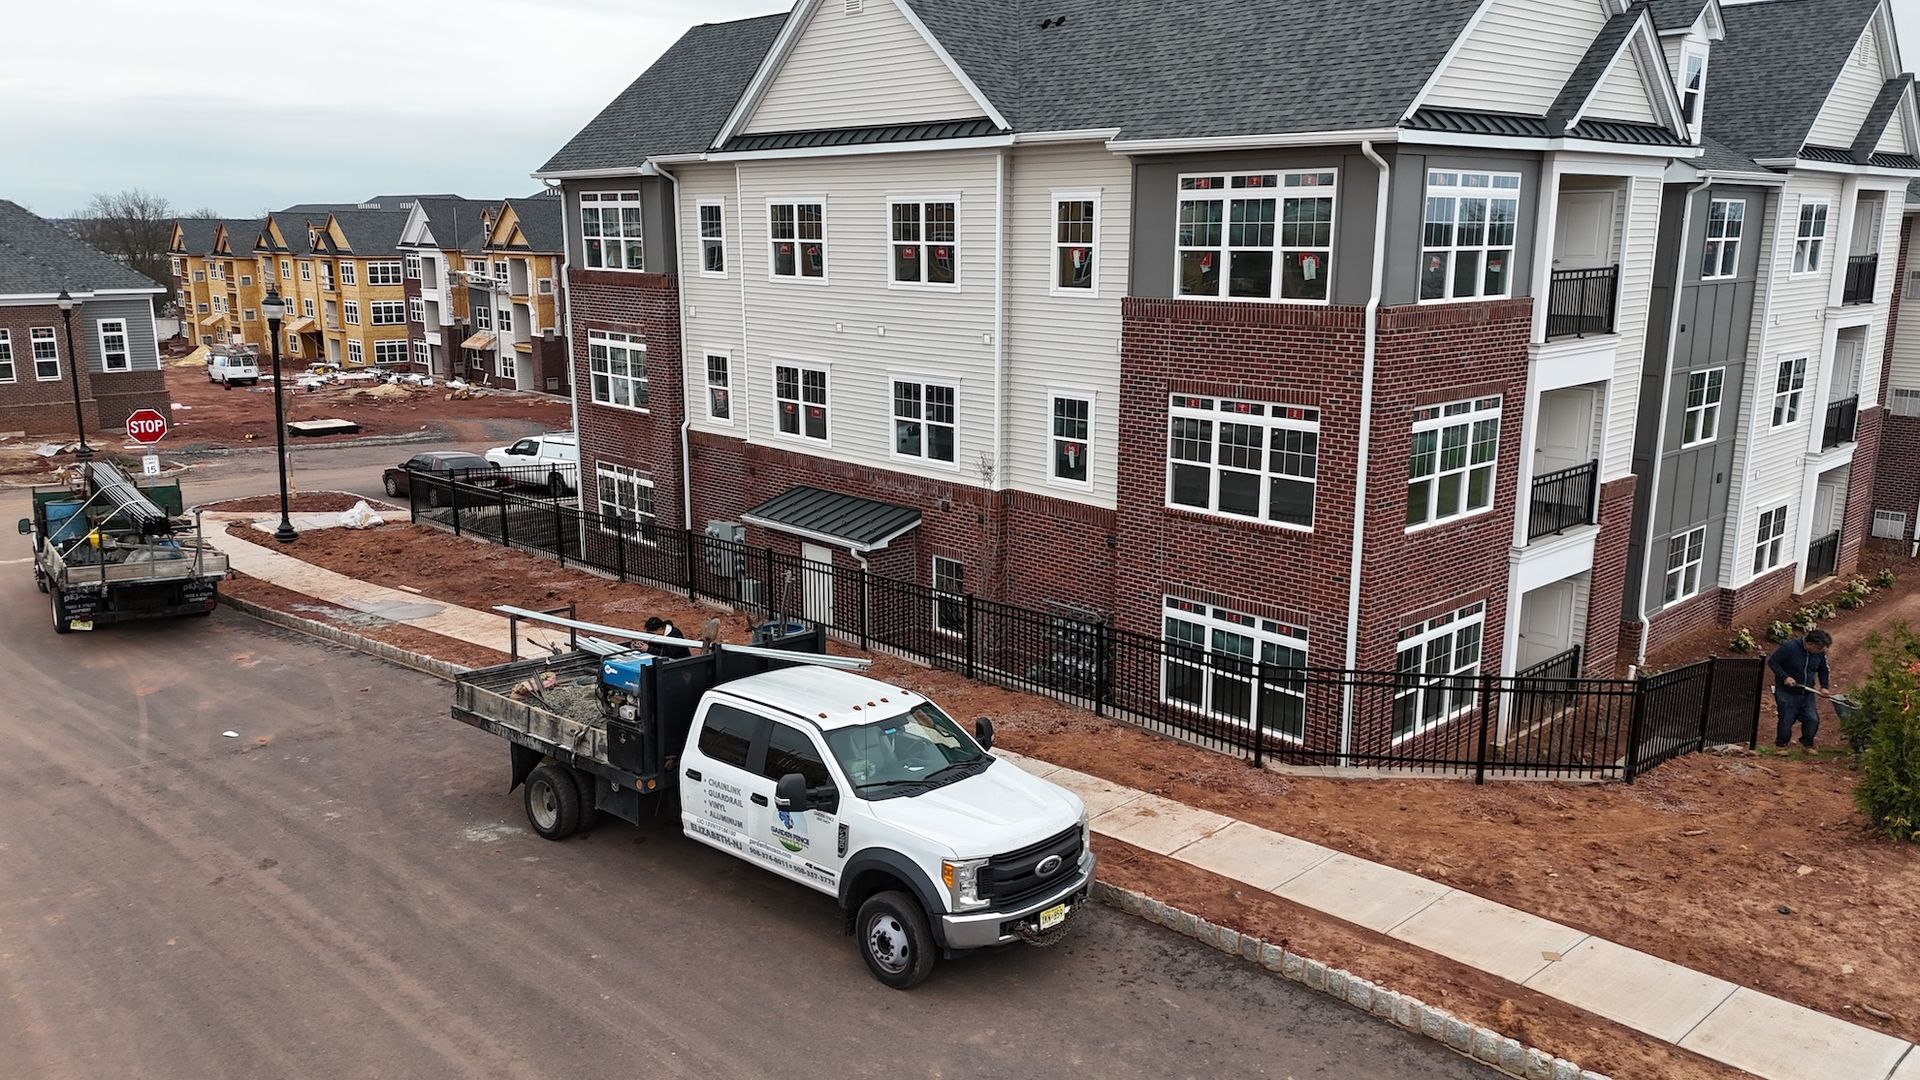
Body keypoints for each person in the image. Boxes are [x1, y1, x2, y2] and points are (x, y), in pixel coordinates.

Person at [1767, 628, 1833, 749]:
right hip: (1786, 692)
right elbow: (1773, 662)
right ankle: (1781, 745)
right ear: (1810, 644)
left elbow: (1823, 669)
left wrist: (1824, 687)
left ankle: (1807, 744)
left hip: (1807, 692)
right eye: (1818, 648)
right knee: (1787, 719)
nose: (1820, 651)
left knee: (1812, 718)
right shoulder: (1789, 647)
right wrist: (1785, 677)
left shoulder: (1820, 654)